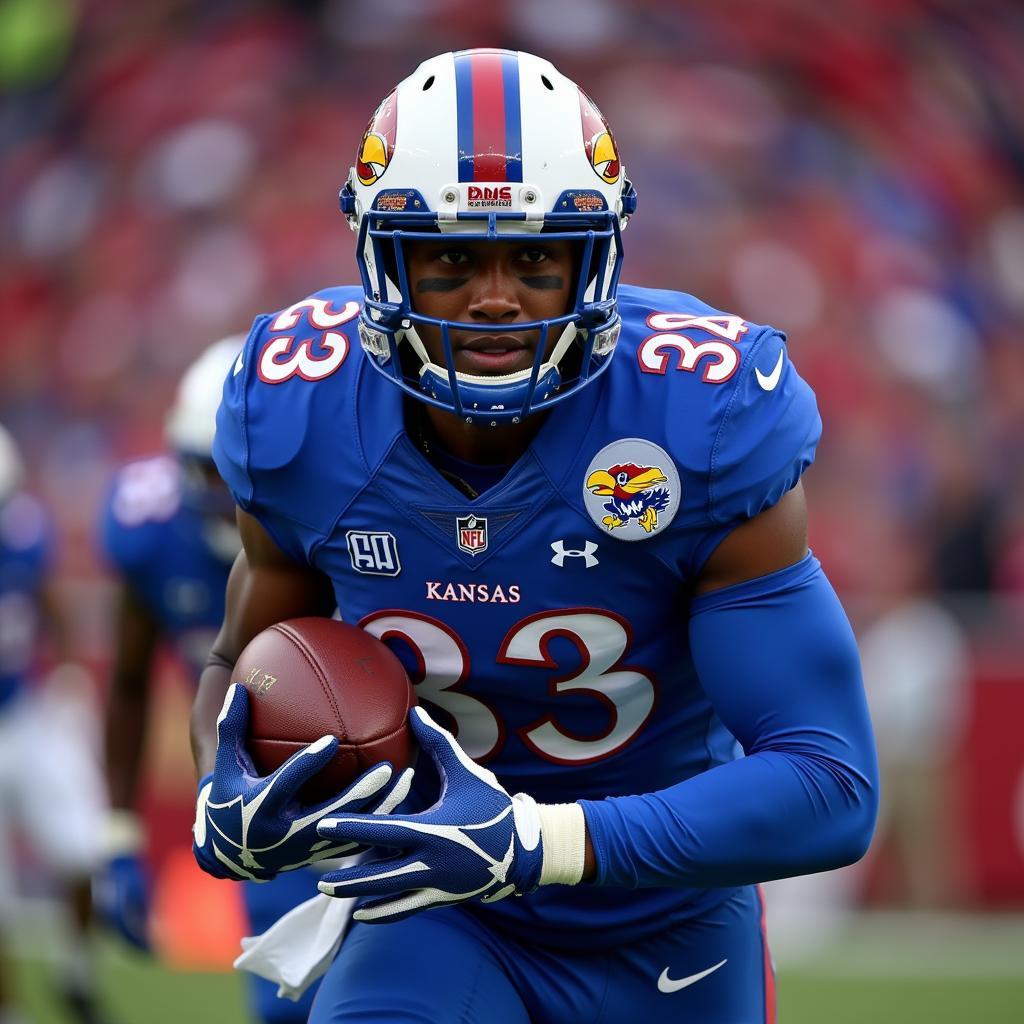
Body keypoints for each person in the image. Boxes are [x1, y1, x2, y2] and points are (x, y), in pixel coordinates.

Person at [190, 48, 879, 1023]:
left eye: (535, 256)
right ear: (383, 260)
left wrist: (532, 838)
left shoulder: (701, 413)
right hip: (435, 904)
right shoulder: (298, 412)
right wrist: (226, 780)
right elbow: (240, 660)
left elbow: (828, 780)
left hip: (661, 918)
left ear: (591, 258)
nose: (495, 297)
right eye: (450, 259)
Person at [94, 340, 322, 1024]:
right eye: (210, 471)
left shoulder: (342, 522)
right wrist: (117, 836)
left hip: (379, 786)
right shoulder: (152, 535)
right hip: (261, 794)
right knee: (283, 1007)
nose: (227, 494)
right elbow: (131, 683)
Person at [0, 424, 109, 1024]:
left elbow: (48, 601)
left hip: (25, 709)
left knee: (81, 848)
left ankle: (77, 973)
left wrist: (68, 673)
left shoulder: (23, 531)